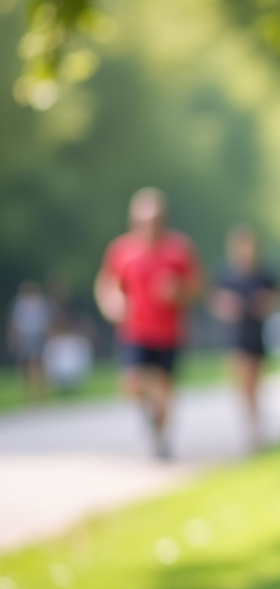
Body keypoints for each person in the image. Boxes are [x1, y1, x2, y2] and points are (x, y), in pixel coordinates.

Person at [95, 188, 204, 460]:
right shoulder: (121, 250)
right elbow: (106, 284)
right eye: (143, 220)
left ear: (163, 219)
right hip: (135, 330)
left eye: (154, 220)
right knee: (132, 385)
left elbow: (198, 286)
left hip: (168, 332)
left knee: (165, 390)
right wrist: (113, 302)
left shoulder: (179, 249)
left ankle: (161, 439)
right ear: (133, 220)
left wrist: (178, 291)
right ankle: (151, 413)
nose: (149, 226)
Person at [210, 224, 280, 450]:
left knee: (255, 385)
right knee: (242, 385)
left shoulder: (264, 273)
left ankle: (255, 426)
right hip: (235, 338)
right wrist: (226, 305)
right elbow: (214, 300)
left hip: (257, 336)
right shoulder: (226, 274)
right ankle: (250, 428)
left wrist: (268, 301)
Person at [7, 280, 52, 402]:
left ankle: (39, 393)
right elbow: (15, 324)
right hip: (26, 336)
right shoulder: (20, 304)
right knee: (26, 366)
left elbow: (46, 322)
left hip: (35, 334)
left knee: (36, 364)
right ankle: (31, 393)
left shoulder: (39, 303)